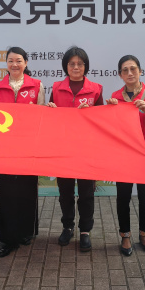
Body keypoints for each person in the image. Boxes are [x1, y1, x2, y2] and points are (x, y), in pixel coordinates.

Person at [47, 46, 103, 252]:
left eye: (80, 63)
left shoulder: (96, 89)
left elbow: (102, 119)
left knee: (87, 193)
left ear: (85, 66)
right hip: (63, 149)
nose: (76, 67)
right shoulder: (56, 88)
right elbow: (49, 117)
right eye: (72, 64)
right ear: (66, 66)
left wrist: (93, 113)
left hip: (87, 149)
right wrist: (50, 110)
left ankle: (85, 230)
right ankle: (67, 226)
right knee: (65, 192)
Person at [0, 46, 45, 258]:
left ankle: (26, 232)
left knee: (27, 189)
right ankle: (7, 238)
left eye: (19, 60)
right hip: (4, 148)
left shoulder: (37, 85)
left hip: (28, 147)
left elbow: (41, 115)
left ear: (26, 63)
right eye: (11, 61)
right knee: (6, 192)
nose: (15, 64)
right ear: (6, 64)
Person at [106, 55, 145, 256]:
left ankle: (144, 233)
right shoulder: (115, 96)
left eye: (133, 69)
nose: (129, 73)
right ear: (120, 75)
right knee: (123, 196)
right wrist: (111, 109)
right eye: (125, 70)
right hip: (124, 155)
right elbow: (111, 127)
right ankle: (125, 235)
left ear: (140, 71)